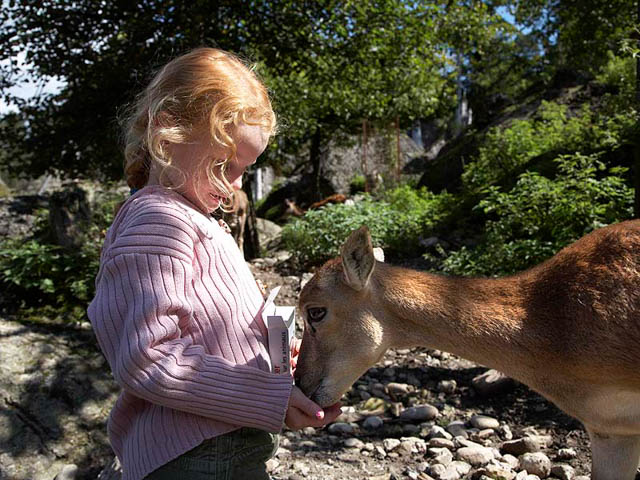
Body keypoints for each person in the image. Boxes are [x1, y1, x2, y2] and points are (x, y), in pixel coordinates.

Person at [87, 47, 342, 480]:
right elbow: (149, 356)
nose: (237, 184)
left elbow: (209, 328)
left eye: (245, 168)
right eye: (225, 165)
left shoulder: (189, 217)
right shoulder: (158, 220)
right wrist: (268, 396)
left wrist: (272, 357)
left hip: (218, 447)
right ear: (167, 132)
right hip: (197, 454)